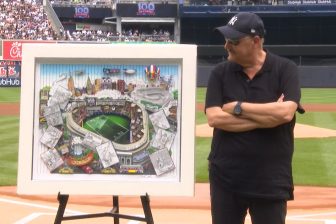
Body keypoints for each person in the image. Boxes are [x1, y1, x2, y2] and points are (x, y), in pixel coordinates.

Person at [205, 12, 304, 224]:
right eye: (225, 40)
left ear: (256, 41)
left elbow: (286, 112)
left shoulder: (285, 69)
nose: (226, 46)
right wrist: (269, 117)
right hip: (226, 180)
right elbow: (214, 118)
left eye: (233, 41)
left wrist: (237, 107)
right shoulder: (219, 73)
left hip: (271, 181)